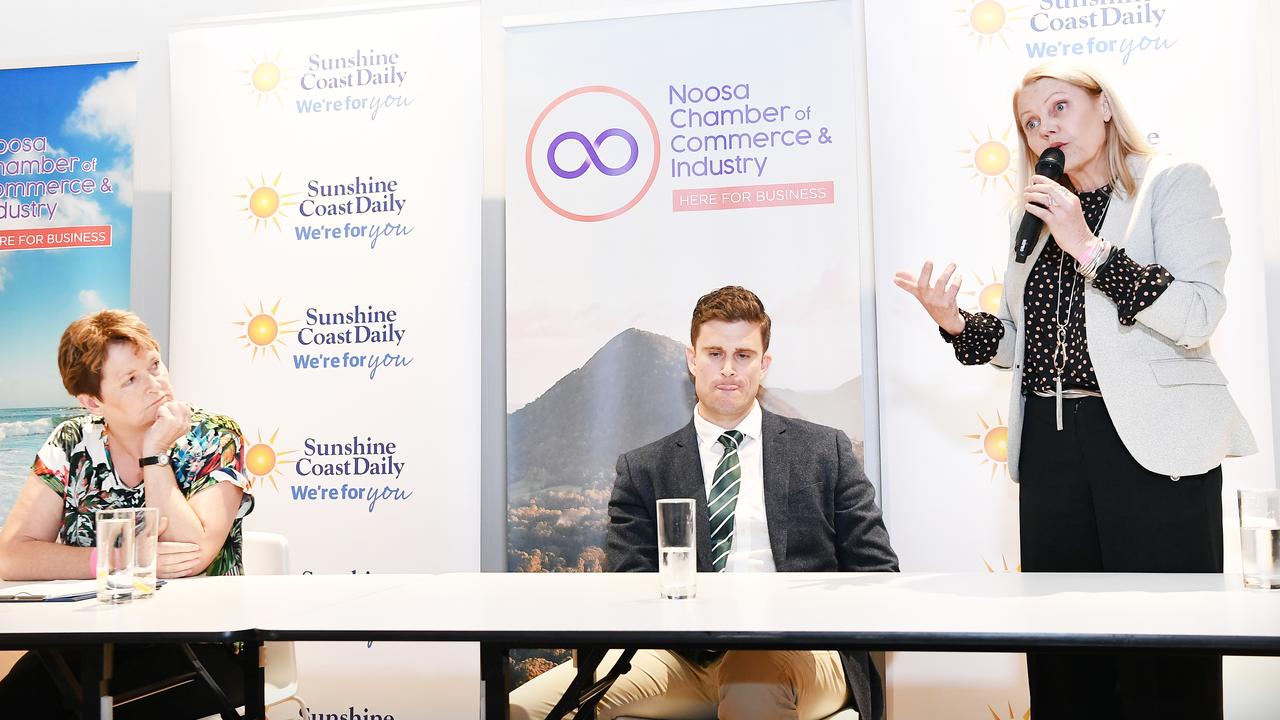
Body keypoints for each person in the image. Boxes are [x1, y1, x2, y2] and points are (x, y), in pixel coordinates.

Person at [895, 61, 1256, 719]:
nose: (1044, 130)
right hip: (1054, 448)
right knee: (1065, 663)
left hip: (1151, 448)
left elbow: (1199, 313)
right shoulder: (1030, 215)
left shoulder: (1171, 185)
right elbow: (1019, 342)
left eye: (1059, 108)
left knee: (1163, 665)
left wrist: (1087, 247)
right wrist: (954, 323)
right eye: (1031, 123)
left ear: (1105, 108)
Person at [510, 286, 898, 720]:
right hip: (682, 657)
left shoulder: (824, 451)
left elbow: (877, 574)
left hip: (801, 652)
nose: (728, 369)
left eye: (744, 355)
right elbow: (630, 584)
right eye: (714, 353)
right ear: (692, 359)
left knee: (751, 679)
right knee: (524, 709)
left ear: (764, 364)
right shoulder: (644, 469)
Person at [0, 309, 254, 718]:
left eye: (154, 365)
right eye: (131, 379)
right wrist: (118, 558)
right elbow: (11, 555)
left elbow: (190, 555)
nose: (156, 385)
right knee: (16, 702)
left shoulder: (213, 435)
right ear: (92, 401)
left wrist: (155, 455)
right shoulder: (70, 441)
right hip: (90, 635)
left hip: (199, 641)